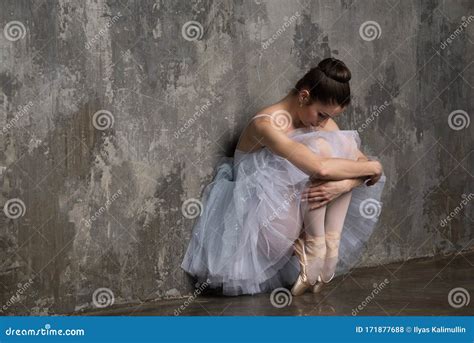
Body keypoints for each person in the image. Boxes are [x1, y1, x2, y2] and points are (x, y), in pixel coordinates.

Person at [181, 57, 386, 296]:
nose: (324, 122)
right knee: (321, 149)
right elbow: (321, 169)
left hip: (298, 218)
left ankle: (329, 245)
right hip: (263, 226)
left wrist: (345, 184)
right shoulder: (266, 124)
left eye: (329, 117)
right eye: (321, 114)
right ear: (303, 96)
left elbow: (359, 162)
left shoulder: (319, 122)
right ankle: (315, 246)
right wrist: (374, 168)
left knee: (338, 149)